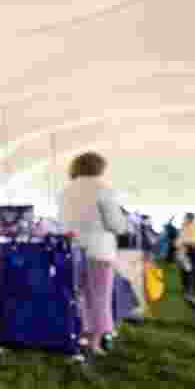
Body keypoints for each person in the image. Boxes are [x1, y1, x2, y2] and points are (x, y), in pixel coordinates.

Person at [58, 152, 129, 356]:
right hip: (99, 251)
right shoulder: (103, 189)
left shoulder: (65, 191)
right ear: (97, 168)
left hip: (70, 250)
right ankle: (94, 343)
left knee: (76, 296)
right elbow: (116, 224)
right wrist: (124, 224)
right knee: (99, 298)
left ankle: (77, 335)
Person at [175, 212, 195, 295]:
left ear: (190, 218)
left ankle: (193, 288)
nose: (184, 219)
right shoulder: (185, 227)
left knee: (191, 269)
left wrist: (181, 244)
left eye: (185, 217)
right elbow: (180, 239)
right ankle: (191, 288)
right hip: (188, 250)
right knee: (189, 269)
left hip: (192, 249)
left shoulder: (194, 227)